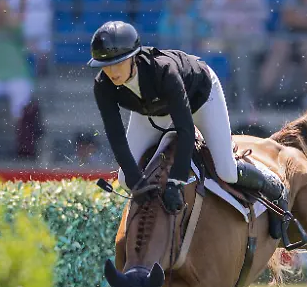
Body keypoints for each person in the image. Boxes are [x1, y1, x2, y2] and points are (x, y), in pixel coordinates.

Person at [88, 21, 287, 238]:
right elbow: (115, 135)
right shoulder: (102, 85)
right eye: (105, 66)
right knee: (126, 178)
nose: (111, 72)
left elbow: (185, 130)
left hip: (200, 99)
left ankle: (273, 186)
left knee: (226, 171)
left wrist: (176, 182)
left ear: (134, 57)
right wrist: (137, 182)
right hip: (151, 110)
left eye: (118, 64)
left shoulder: (164, 71)